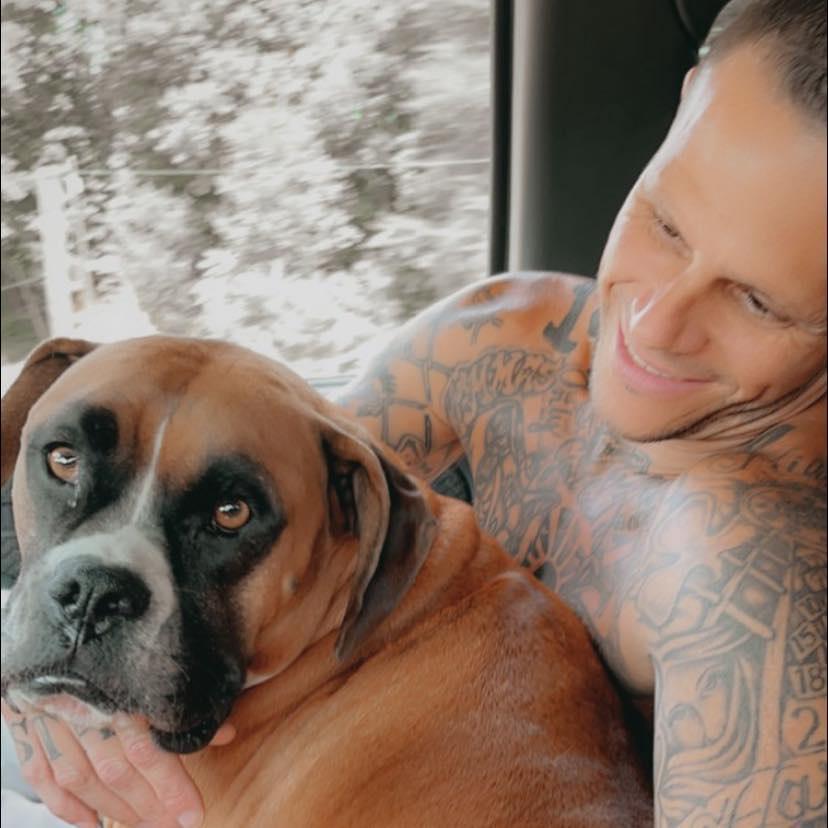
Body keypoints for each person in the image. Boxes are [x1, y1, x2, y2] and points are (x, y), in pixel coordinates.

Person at [2, 0, 825, 825]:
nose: (653, 322)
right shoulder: (503, 338)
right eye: (667, 225)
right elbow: (273, 510)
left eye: (758, 302)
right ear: (684, 106)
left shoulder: (764, 589)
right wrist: (56, 686)